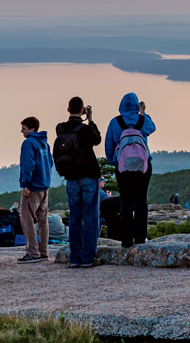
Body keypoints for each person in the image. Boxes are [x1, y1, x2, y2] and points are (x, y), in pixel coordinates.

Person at [55, 97, 103, 266]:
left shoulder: (60, 128)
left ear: (68, 109)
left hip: (70, 177)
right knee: (90, 217)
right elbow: (97, 140)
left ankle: (75, 258)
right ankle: (88, 258)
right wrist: (90, 120)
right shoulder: (84, 129)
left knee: (75, 217)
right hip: (88, 175)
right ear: (82, 110)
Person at [105, 92, 155, 249]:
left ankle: (126, 240)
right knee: (141, 201)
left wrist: (115, 162)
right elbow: (152, 128)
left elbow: (109, 145)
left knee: (126, 202)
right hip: (143, 167)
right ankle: (140, 239)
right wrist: (143, 112)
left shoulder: (115, 122)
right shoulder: (142, 120)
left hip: (123, 167)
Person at [16, 116, 53, 264]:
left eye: (23, 128)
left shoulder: (28, 143)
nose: (22, 131)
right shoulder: (44, 143)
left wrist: (25, 184)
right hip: (45, 185)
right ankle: (43, 251)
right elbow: (50, 162)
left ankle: (32, 252)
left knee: (26, 219)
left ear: (31, 128)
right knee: (43, 219)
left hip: (32, 187)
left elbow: (28, 165)